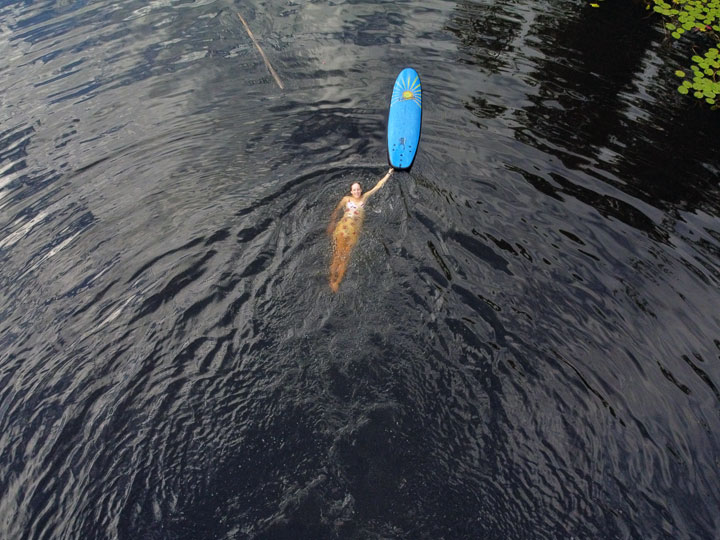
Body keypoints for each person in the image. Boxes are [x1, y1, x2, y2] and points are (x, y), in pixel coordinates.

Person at [327, 168, 394, 292]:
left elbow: (378, 186)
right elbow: (335, 212)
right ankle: (331, 280)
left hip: (354, 230)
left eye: (358, 189)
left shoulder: (364, 198)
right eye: (354, 190)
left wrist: (389, 173)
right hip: (343, 227)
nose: (357, 191)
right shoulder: (346, 199)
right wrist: (332, 224)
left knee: (345, 256)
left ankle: (337, 281)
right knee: (337, 254)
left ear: (361, 190)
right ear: (351, 191)